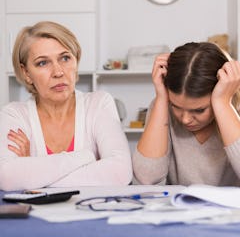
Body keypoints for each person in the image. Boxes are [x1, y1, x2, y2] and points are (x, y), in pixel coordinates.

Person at [0, 21, 132, 191]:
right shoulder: (14, 115)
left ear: (76, 60)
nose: (58, 72)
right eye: (42, 63)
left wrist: (34, 176)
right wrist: (85, 157)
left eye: (65, 58)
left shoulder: (98, 104)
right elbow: (6, 177)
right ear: (26, 73)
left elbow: (119, 172)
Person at [133, 42, 240, 186]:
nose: (185, 119)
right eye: (176, 106)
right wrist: (162, 99)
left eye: (199, 110)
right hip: (179, 207)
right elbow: (146, 179)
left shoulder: (229, 105)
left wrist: (222, 104)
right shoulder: (162, 105)